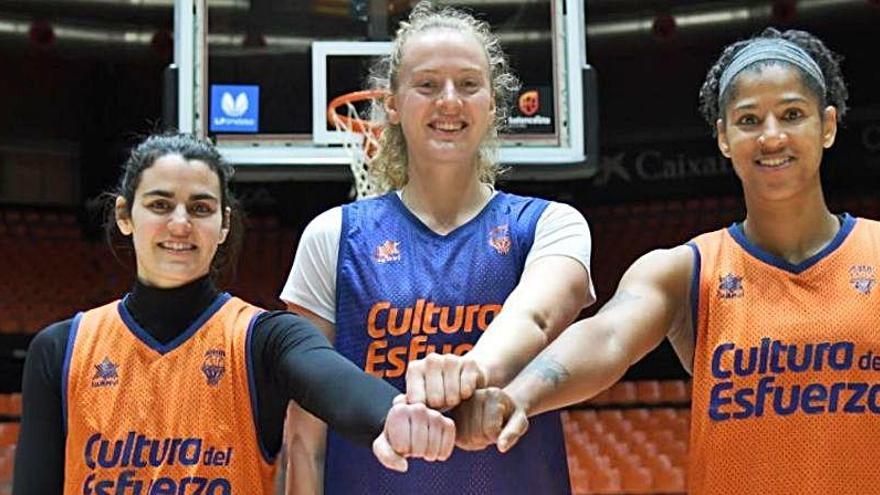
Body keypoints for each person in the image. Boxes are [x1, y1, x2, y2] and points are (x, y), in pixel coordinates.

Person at [451, 28, 880, 494]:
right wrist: (519, 394)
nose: (771, 136)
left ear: (828, 125)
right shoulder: (686, 271)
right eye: (749, 119)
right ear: (723, 137)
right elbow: (608, 334)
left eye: (792, 114)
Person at [12, 133, 455, 495]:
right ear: (125, 215)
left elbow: (331, 381)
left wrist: (390, 412)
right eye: (160, 204)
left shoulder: (265, 338)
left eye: (200, 208)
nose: (180, 223)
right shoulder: (61, 349)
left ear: (223, 224)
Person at [280, 2, 594, 493]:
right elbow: (304, 435)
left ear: (492, 104)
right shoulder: (332, 237)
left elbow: (537, 317)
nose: (449, 101)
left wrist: (467, 373)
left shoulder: (551, 224)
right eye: (427, 85)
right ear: (391, 103)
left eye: (469, 84)